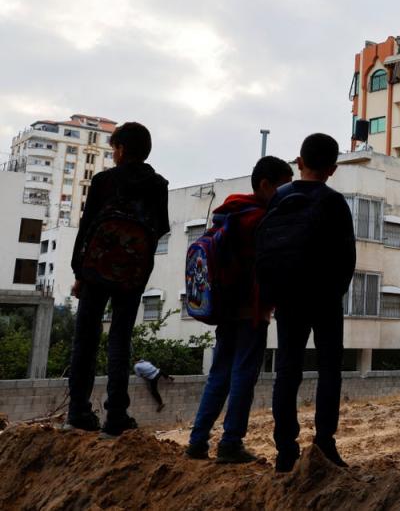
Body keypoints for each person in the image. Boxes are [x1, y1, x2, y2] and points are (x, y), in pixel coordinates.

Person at [185, 156, 293, 464]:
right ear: (265, 185)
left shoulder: (230, 211)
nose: (285, 195)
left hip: (225, 310)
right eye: (282, 188)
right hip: (251, 311)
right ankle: (231, 442)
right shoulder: (259, 218)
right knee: (244, 375)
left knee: (218, 375)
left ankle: (197, 440)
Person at [65, 122, 170, 437]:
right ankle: (116, 417)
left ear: (121, 149)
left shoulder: (103, 181)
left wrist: (79, 272)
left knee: (85, 338)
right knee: (119, 340)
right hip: (133, 276)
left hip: (95, 272)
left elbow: (86, 230)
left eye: (113, 149)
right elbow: (159, 228)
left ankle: (78, 413)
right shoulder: (159, 184)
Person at [265, 134, 356, 472]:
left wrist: (273, 292)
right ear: (333, 169)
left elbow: (267, 247)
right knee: (330, 368)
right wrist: (335, 292)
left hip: (287, 295)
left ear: (298, 162)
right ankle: (324, 444)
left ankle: (285, 450)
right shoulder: (335, 202)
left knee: (287, 370)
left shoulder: (278, 198)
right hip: (325, 296)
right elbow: (347, 256)